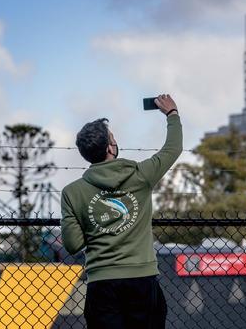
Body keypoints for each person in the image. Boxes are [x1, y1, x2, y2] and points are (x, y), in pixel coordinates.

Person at [61, 94, 182, 329]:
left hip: (102, 284)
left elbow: (73, 244)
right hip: (142, 280)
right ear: (109, 147)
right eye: (113, 138)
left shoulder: (72, 193)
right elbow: (172, 149)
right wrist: (172, 114)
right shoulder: (140, 175)